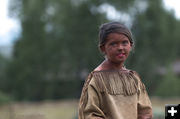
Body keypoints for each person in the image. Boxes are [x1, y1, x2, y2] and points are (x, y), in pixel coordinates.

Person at [78, 22, 152, 119]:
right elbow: (90, 115)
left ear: (131, 45)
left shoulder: (133, 79)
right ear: (103, 48)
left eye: (124, 43)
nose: (120, 48)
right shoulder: (97, 80)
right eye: (114, 44)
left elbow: (145, 112)